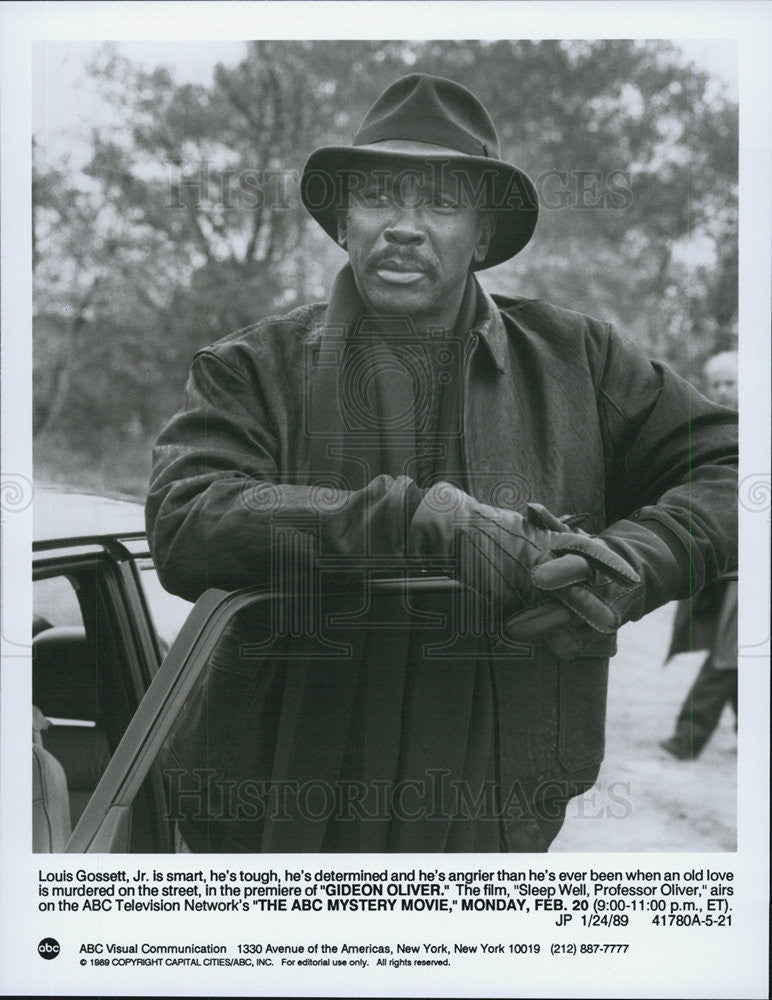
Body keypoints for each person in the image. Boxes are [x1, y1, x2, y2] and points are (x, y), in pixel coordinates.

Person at [146, 73, 737, 852]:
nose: (404, 227)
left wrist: (626, 564)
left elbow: (738, 470)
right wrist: (424, 519)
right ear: (341, 225)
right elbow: (188, 518)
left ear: (484, 237)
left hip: (491, 819)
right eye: (379, 198)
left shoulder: (581, 362)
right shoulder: (252, 368)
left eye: (441, 203)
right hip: (275, 814)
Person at [660, 351, 738, 760]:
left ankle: (689, 736)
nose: (723, 390)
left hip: (753, 564)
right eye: (717, 383)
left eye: (731, 383)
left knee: (733, 647)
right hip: (726, 556)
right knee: (738, 647)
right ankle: (750, 728)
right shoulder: (713, 430)